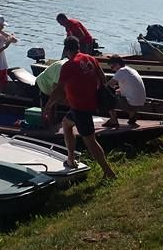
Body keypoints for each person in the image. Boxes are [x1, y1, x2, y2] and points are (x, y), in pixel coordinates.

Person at [46, 37, 115, 178]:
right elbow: (102, 78)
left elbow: (58, 90)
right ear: (78, 47)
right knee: (66, 124)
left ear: (66, 50)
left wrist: (48, 106)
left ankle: (109, 172)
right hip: (87, 104)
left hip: (81, 107)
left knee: (90, 141)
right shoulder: (90, 58)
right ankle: (71, 160)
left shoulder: (68, 65)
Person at [104, 55, 145, 127]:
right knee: (117, 93)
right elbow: (129, 87)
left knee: (106, 94)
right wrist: (117, 91)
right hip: (140, 103)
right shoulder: (131, 70)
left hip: (131, 104)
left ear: (117, 64)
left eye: (112, 67)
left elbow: (108, 85)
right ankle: (132, 115)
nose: (112, 70)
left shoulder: (121, 71)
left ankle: (113, 120)